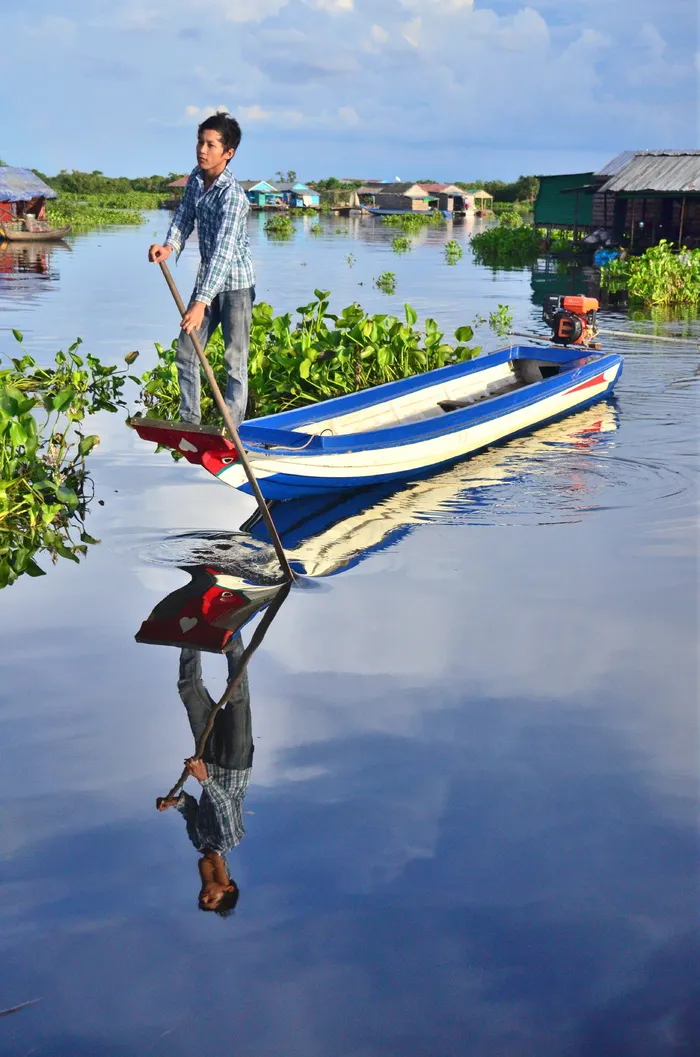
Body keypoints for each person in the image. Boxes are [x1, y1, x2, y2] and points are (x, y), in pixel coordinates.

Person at [148, 111, 255, 426]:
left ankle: (232, 429)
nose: (202, 150)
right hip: (208, 280)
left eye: (210, 145)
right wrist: (169, 246)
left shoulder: (233, 196)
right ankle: (190, 423)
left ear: (228, 153)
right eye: (200, 142)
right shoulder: (196, 178)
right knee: (186, 352)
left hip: (235, 285)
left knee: (234, 361)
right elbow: (184, 215)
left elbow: (223, 252)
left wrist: (200, 302)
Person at [157, 637, 253, 916]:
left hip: (208, 762)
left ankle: (191, 637)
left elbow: (191, 809)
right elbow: (225, 805)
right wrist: (203, 779)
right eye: (212, 900)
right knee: (237, 698)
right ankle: (232, 638)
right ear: (228, 888)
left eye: (202, 901)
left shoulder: (198, 842)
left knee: (188, 688)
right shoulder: (231, 840)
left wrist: (174, 803)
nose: (204, 897)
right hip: (234, 763)